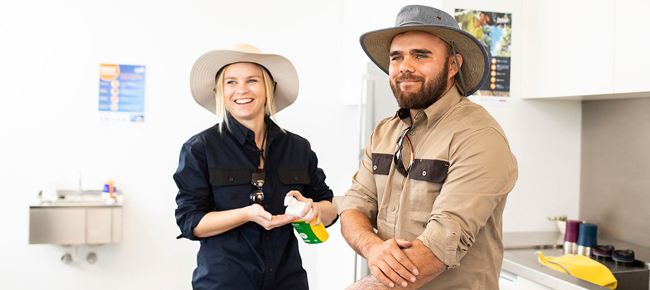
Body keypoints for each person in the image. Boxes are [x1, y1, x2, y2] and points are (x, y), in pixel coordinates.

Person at [333, 5, 518, 290]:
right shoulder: (384, 131)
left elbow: (439, 248)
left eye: (420, 55)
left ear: (454, 64)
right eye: (397, 57)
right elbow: (353, 208)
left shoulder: (479, 136)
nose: (405, 66)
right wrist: (373, 249)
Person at [174, 43, 337, 290]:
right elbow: (190, 222)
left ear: (269, 87)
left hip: (288, 282)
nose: (241, 90)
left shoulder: (297, 147)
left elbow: (330, 208)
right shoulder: (200, 148)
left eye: (252, 80)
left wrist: (314, 209)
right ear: (220, 90)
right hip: (224, 283)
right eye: (231, 82)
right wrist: (246, 214)